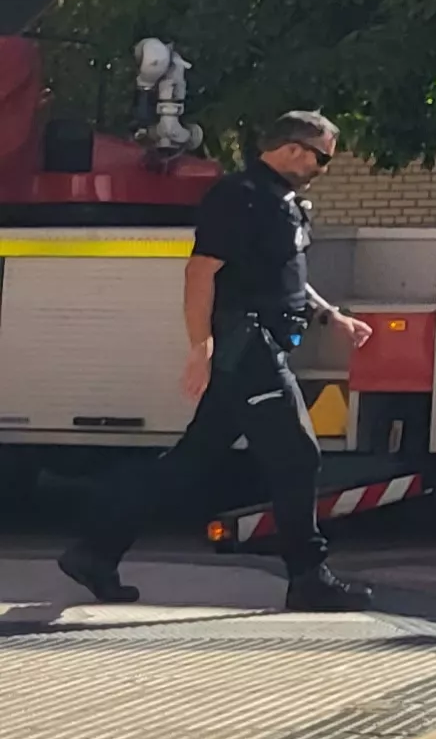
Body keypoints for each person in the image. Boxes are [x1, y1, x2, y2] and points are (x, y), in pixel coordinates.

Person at [58, 111, 377, 611]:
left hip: (258, 345)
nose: (323, 168)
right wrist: (201, 348)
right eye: (321, 158)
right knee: (297, 456)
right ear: (293, 148)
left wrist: (331, 315)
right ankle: (308, 577)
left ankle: (94, 551)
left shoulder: (281, 201)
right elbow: (200, 273)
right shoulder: (240, 196)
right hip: (249, 347)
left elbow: (284, 275)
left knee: (189, 463)